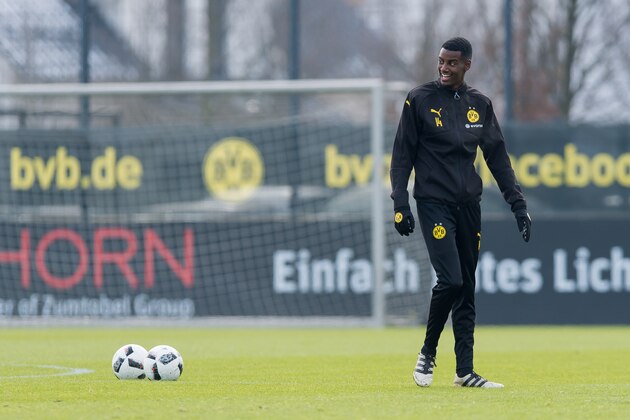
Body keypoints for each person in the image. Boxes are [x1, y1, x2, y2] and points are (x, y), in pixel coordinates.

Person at [390, 37, 531, 388]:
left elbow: (498, 158)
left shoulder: (479, 104)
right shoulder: (419, 99)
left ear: (467, 64)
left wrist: (518, 205)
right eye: (441, 61)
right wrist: (399, 203)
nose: (444, 68)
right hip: (433, 203)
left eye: (452, 63)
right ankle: (428, 352)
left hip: (469, 205)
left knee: (466, 286)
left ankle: (465, 371)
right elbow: (401, 156)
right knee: (450, 279)